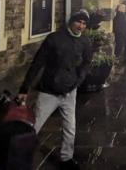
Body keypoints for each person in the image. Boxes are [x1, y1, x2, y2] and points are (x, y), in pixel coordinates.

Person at [17, 10, 92, 170]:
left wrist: (79, 79)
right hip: (49, 91)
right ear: (71, 21)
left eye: (84, 24)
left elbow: (87, 62)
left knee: (70, 127)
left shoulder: (85, 41)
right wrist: (24, 88)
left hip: (70, 91)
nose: (81, 26)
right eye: (78, 22)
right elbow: (37, 63)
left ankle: (66, 159)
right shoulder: (54, 38)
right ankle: (19, 158)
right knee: (34, 126)